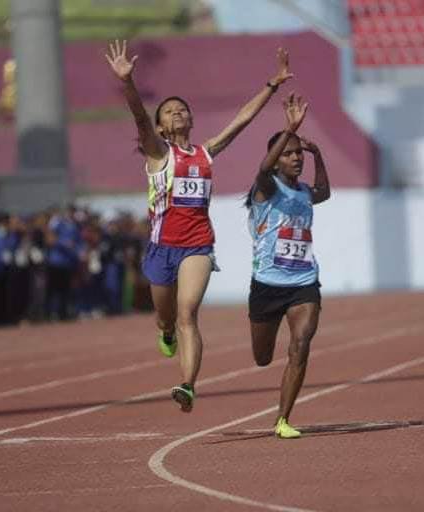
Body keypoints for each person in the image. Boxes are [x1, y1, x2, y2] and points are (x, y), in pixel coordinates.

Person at [106, 39, 293, 412]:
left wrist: (273, 85)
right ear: (160, 126)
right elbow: (139, 117)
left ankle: (187, 385)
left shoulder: (205, 152)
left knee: (188, 312)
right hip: (162, 249)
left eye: (182, 110)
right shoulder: (158, 152)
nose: (177, 114)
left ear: (190, 120)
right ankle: (166, 331)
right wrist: (128, 82)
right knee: (167, 317)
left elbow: (242, 119)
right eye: (170, 112)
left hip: (197, 246)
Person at [245, 93, 331, 438]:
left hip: (303, 282)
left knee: (301, 343)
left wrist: (319, 154)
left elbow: (324, 192)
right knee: (262, 358)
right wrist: (289, 128)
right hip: (266, 283)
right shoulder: (265, 188)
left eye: (299, 153)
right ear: (277, 159)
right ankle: (281, 413)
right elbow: (262, 168)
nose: (297, 158)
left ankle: (283, 419)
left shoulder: (305, 192)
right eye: (289, 153)